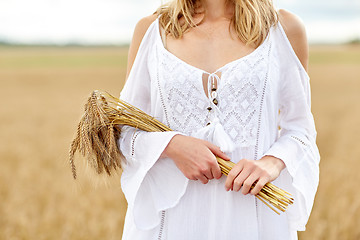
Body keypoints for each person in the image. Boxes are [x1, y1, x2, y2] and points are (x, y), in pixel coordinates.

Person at [118, 0, 320, 239]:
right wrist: (172, 145)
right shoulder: (152, 30)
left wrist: (271, 162)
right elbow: (125, 131)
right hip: (171, 222)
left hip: (254, 216)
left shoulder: (283, 28)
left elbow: (300, 128)